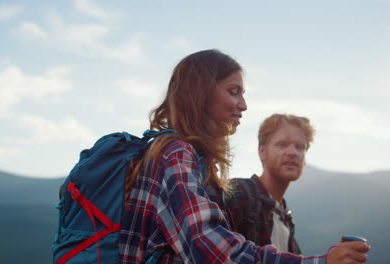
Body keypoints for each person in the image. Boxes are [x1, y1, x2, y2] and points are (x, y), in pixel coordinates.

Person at [119, 49, 370, 263]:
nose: (243, 105)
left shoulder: (194, 162)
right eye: (233, 91)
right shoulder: (177, 154)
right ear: (201, 93)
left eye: (300, 147)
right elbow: (213, 251)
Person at [225, 113, 314, 254]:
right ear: (262, 151)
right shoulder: (236, 193)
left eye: (300, 147)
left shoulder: (284, 217)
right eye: (282, 144)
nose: (293, 152)